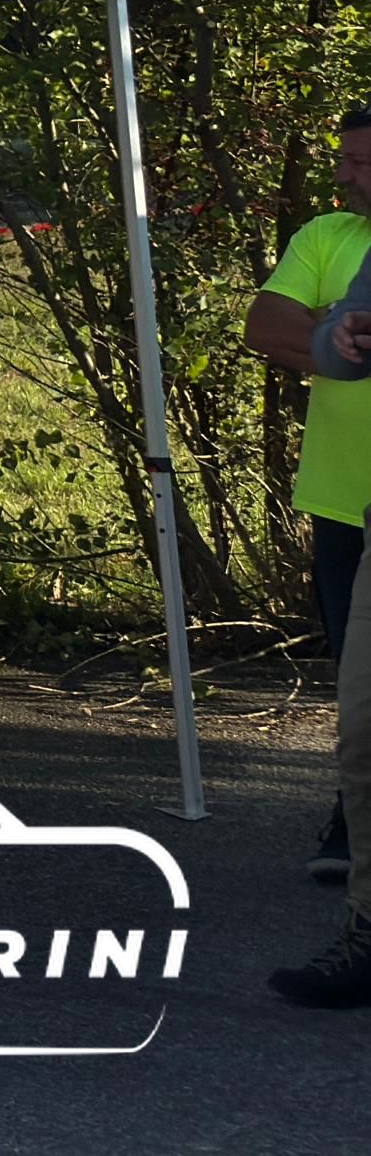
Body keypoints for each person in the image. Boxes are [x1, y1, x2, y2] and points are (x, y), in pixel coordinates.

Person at [238, 99, 371, 886]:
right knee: (357, 678)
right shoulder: (327, 236)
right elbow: (264, 327)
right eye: (344, 159)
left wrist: (325, 326)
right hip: (342, 498)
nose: (345, 175)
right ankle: (353, 820)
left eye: (362, 163)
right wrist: (340, 338)